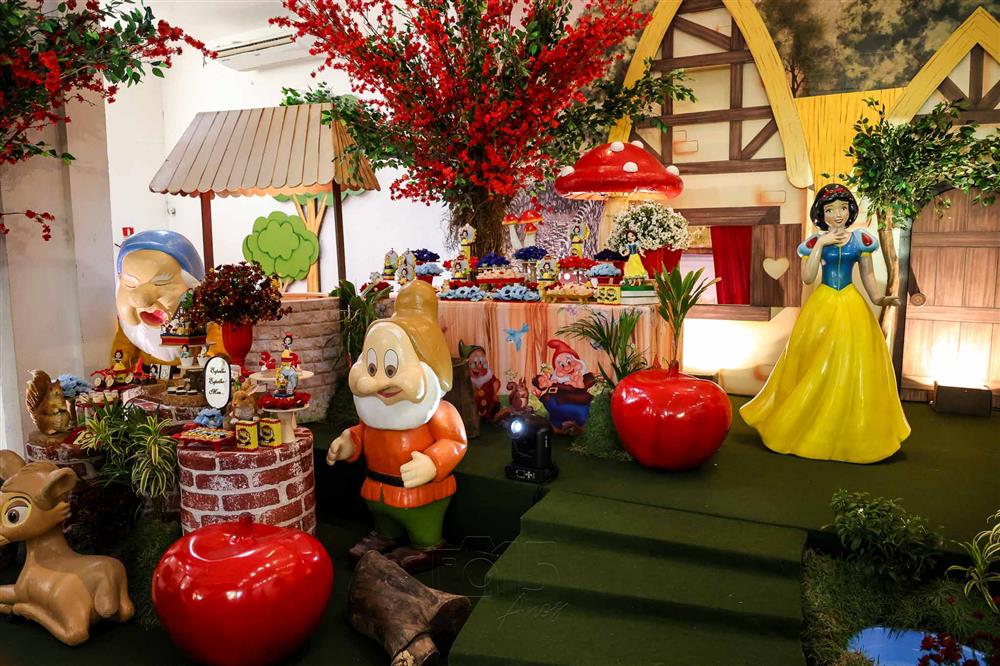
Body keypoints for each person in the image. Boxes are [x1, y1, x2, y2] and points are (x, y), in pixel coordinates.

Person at [739, 184, 910, 464]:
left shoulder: (861, 240)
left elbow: (867, 275)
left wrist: (879, 298)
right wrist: (820, 244)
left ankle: (851, 429)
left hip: (851, 302)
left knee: (854, 360)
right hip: (823, 302)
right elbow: (807, 277)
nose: (837, 214)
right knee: (815, 358)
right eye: (830, 210)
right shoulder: (813, 242)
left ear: (850, 210)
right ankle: (804, 422)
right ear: (822, 214)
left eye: (842, 208)